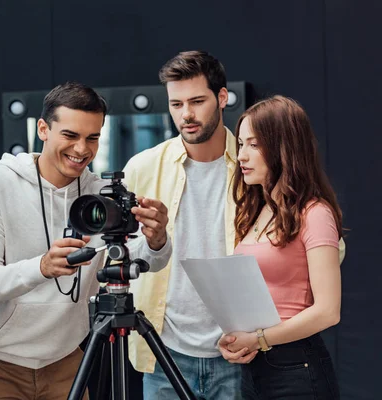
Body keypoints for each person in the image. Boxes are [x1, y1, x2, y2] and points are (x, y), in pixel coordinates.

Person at [0, 81, 172, 400]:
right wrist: (42, 267)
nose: (81, 150)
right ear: (43, 129)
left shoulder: (99, 196)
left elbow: (142, 259)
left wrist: (157, 239)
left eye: (92, 138)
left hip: (66, 360)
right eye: (70, 135)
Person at [123, 50, 243, 399]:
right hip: (165, 351)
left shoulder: (256, 166)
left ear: (222, 98)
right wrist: (153, 240)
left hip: (238, 350)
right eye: (176, 104)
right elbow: (121, 253)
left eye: (197, 101)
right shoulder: (142, 167)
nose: (186, 114)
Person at [217, 95, 342, 399]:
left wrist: (257, 339)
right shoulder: (257, 209)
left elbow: (328, 312)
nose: (242, 156)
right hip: (255, 370)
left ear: (283, 147)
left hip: (297, 370)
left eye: (254, 145)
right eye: (241, 144)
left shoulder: (315, 213)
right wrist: (233, 339)